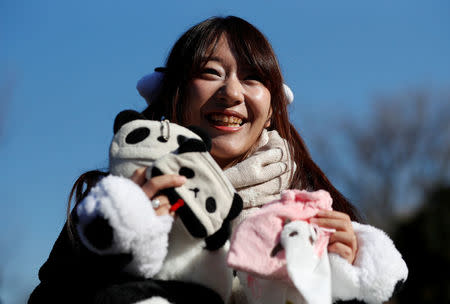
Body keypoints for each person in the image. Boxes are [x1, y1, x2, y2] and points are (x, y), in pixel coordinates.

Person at [29, 16, 407, 304]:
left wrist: (352, 279)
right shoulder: (112, 199)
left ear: (274, 106)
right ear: (172, 94)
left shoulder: (315, 209)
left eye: (253, 78)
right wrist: (120, 238)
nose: (231, 93)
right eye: (211, 73)